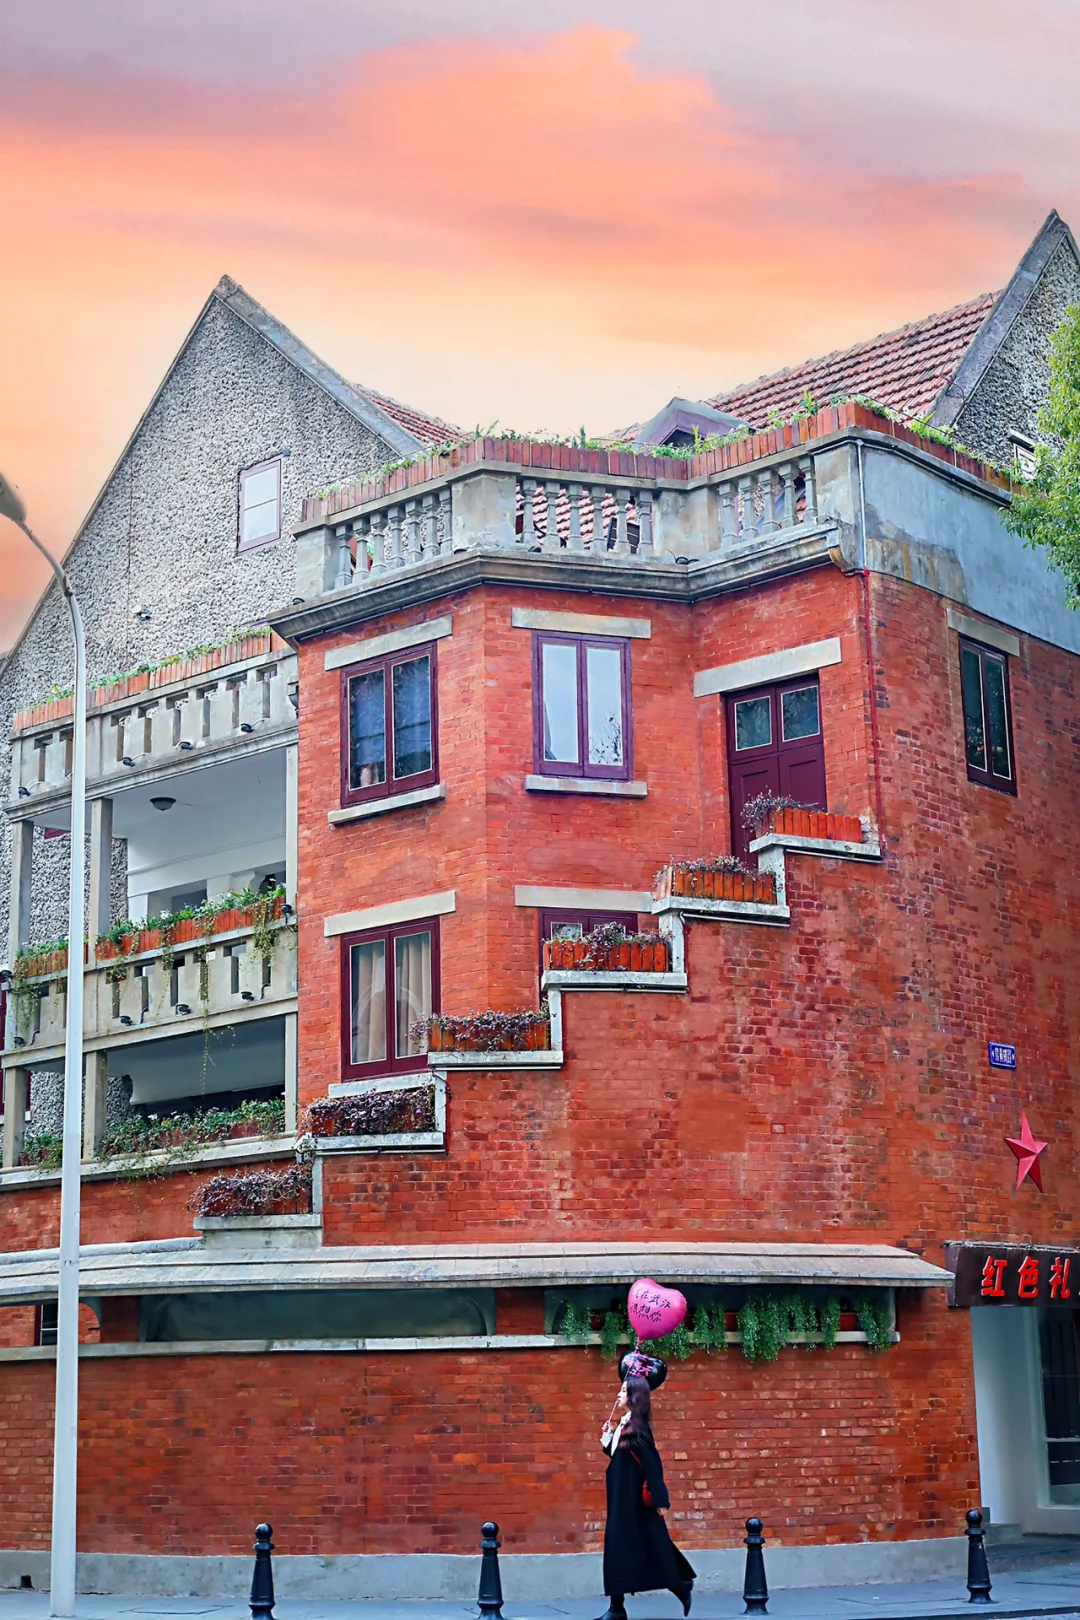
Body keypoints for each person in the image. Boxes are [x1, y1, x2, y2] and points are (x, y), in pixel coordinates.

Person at [596, 1350, 695, 1620]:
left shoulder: (638, 1427)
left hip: (632, 1502)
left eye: (623, 1390)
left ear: (634, 1395)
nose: (618, 1394)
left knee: (642, 1546)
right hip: (621, 1497)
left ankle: (678, 1584)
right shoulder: (625, 1423)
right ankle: (619, 1608)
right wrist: (608, 1441)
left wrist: (661, 1500)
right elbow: (623, 1458)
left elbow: (652, 1463)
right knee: (633, 1548)